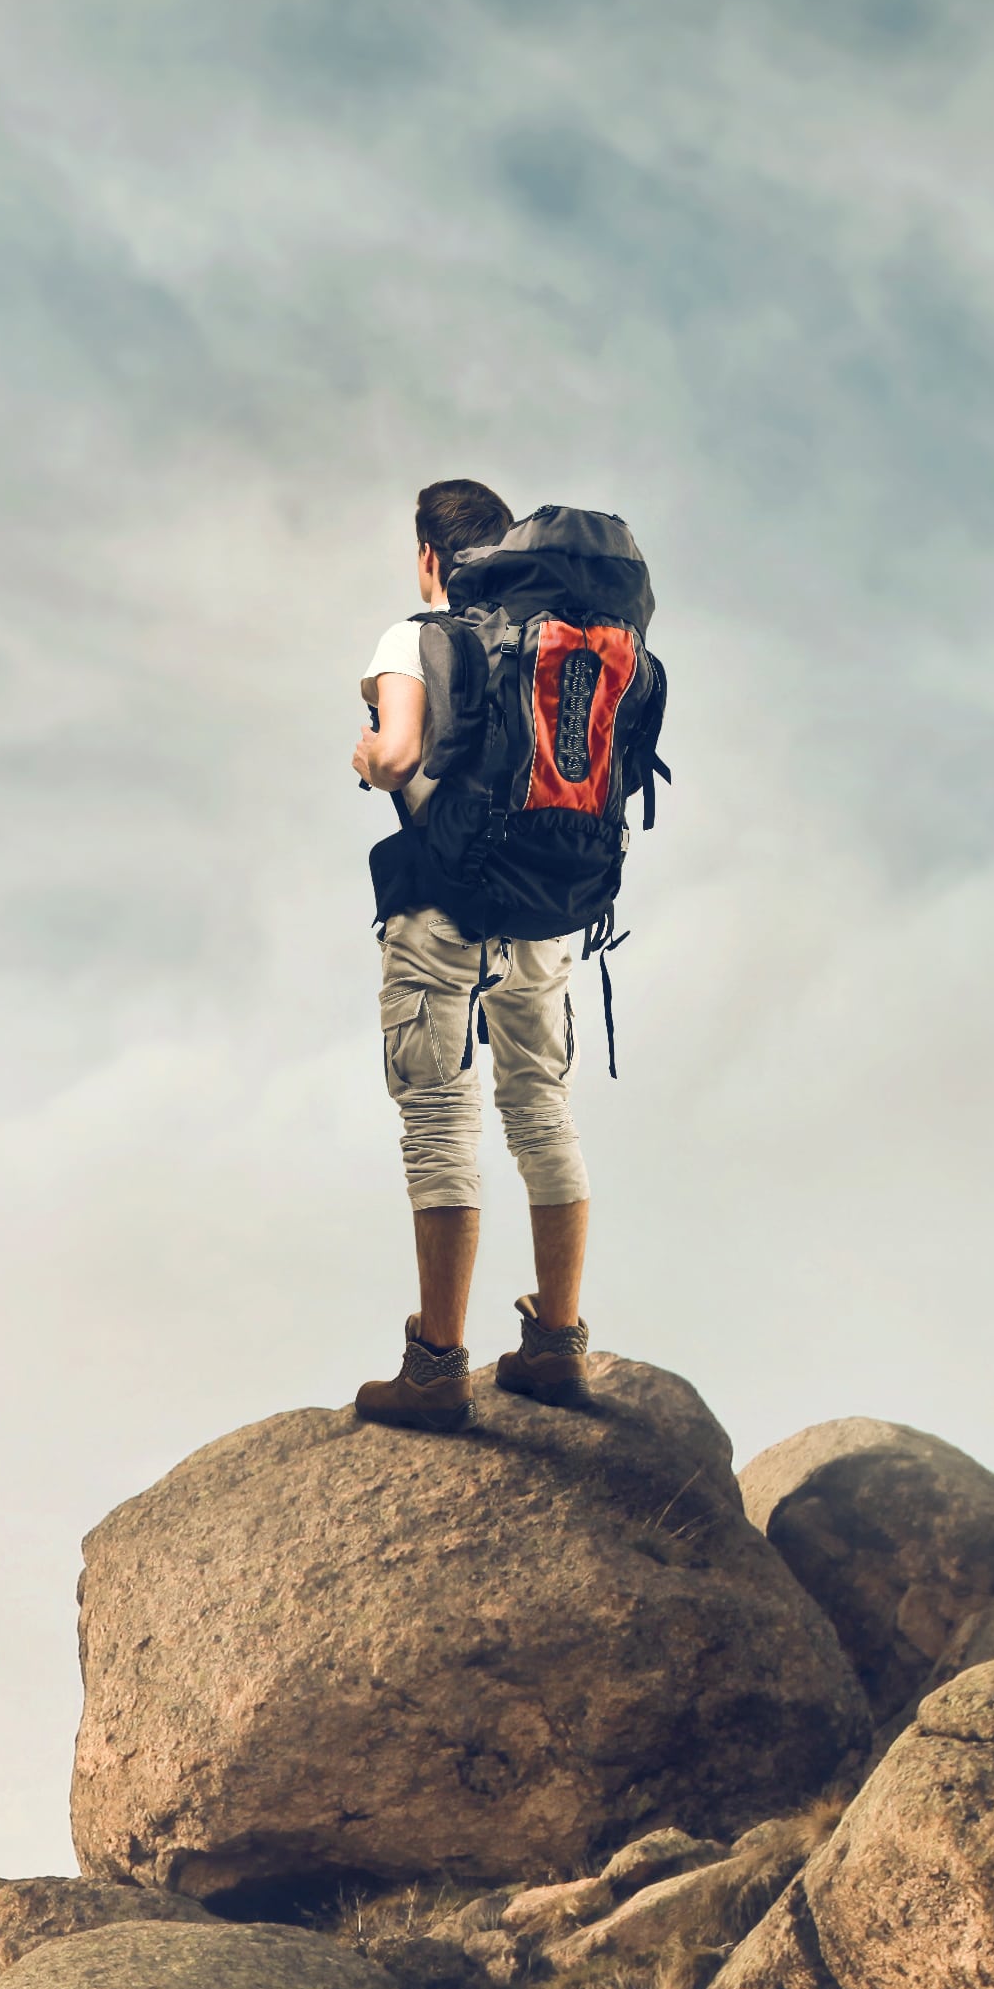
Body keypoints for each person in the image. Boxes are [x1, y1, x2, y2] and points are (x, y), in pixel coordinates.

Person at [346, 477, 591, 1430]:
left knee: (441, 1117)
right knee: (542, 1111)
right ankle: (557, 1345)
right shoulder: (549, 640)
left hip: (442, 908)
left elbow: (401, 755)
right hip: (543, 905)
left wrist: (367, 756)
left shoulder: (416, 636)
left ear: (427, 560)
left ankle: (437, 1367)